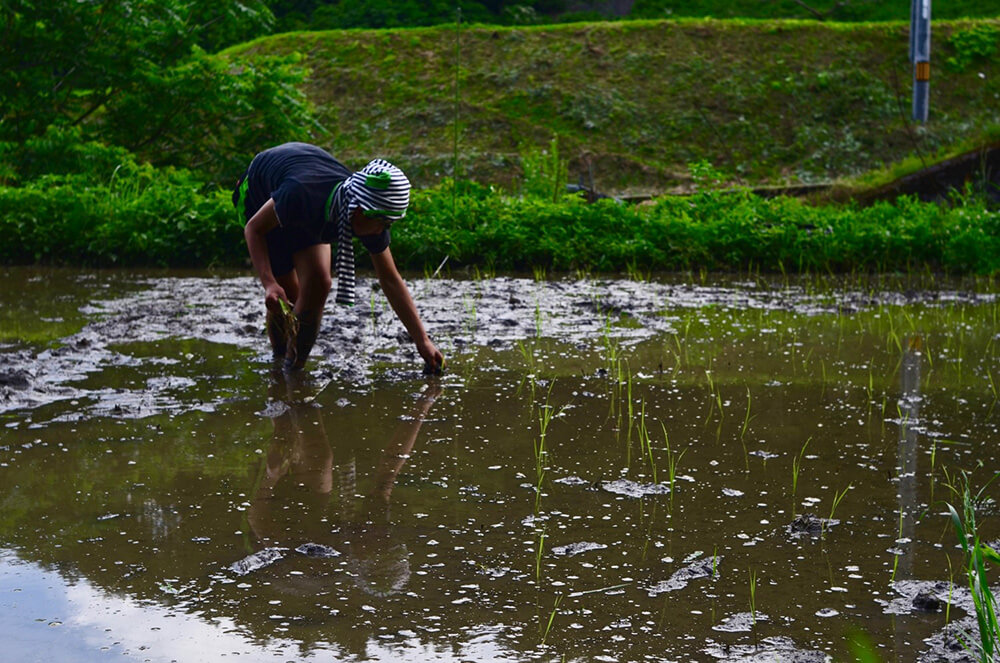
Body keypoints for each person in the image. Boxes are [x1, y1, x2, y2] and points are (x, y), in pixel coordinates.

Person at [234, 142, 443, 371]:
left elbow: (390, 279)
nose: (382, 230)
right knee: (286, 294)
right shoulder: (301, 193)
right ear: (358, 209)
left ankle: (294, 368)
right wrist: (269, 283)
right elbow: (254, 229)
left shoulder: (369, 218)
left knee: (318, 283)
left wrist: (422, 340)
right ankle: (279, 356)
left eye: (389, 223)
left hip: (311, 208)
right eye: (382, 223)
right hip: (259, 190)